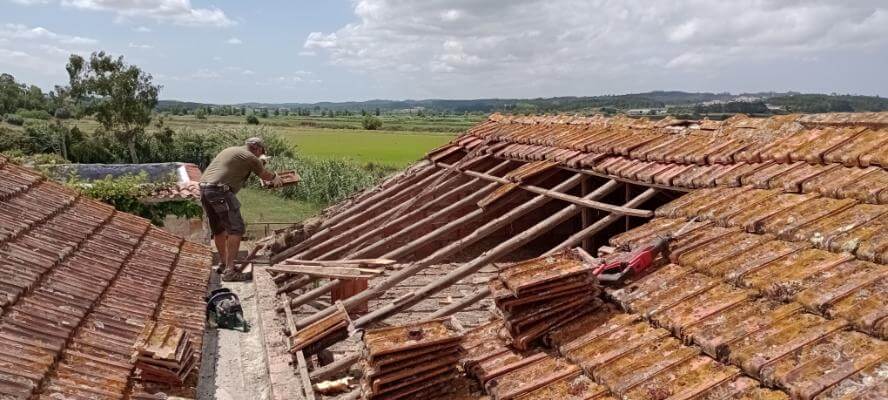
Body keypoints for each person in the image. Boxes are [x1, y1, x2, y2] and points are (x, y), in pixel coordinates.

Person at [200, 137, 283, 281]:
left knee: (219, 230)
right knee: (236, 229)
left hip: (204, 189)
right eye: (261, 152)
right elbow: (264, 175)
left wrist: (259, 163)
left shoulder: (231, 150)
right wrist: (275, 177)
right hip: (220, 190)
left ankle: (224, 263)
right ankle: (230, 271)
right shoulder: (251, 157)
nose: (260, 155)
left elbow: (237, 167)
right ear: (256, 148)